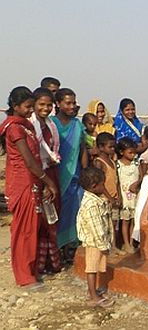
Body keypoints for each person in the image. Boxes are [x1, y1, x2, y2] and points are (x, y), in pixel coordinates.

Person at [0, 87, 58, 289]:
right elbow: (29, 161)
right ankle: (24, 276)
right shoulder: (15, 128)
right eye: (27, 107)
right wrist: (48, 182)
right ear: (15, 107)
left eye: (30, 107)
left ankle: (31, 270)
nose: (30, 111)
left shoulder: (26, 126)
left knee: (32, 227)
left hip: (32, 181)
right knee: (24, 229)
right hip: (22, 182)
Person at [51, 88, 88, 262]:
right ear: (58, 104)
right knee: (57, 214)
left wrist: (86, 172)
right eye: (68, 103)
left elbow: (83, 150)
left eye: (74, 102)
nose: (72, 106)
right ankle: (55, 251)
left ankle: (69, 249)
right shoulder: (51, 124)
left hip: (75, 178)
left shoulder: (77, 125)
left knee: (74, 213)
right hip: (56, 177)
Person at [30, 87, 62, 276]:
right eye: (41, 104)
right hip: (38, 175)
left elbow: (52, 149)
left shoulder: (50, 124)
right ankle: (36, 266)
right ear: (33, 104)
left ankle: (52, 262)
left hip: (51, 171)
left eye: (49, 105)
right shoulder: (31, 125)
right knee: (39, 222)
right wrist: (45, 183)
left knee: (52, 218)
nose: (46, 108)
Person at [76, 167, 115, 308]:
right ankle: (93, 296)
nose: (104, 187)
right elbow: (96, 227)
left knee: (97, 265)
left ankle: (93, 291)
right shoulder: (92, 205)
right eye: (102, 184)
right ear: (94, 186)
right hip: (94, 242)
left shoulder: (95, 199)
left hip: (97, 241)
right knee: (92, 268)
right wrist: (103, 244)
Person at [93, 132, 124, 255]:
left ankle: (114, 246)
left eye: (113, 147)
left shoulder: (112, 162)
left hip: (114, 198)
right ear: (101, 147)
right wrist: (109, 197)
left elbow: (117, 181)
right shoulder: (99, 162)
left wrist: (119, 196)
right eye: (110, 147)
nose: (112, 149)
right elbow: (99, 183)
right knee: (105, 223)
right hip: (104, 198)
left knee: (114, 223)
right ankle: (105, 247)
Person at [116, 138, 141, 254]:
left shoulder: (136, 163)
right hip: (124, 198)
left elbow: (141, 176)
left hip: (135, 197)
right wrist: (119, 197)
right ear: (122, 152)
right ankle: (125, 243)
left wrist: (137, 184)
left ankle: (131, 242)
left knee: (133, 221)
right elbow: (117, 182)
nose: (133, 155)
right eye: (130, 152)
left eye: (134, 152)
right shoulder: (118, 165)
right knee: (125, 221)